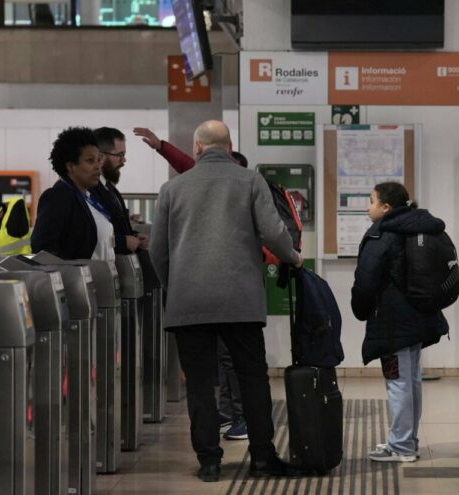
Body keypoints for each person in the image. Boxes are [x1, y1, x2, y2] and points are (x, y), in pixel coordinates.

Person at [149, 120, 303, 482]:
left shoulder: (172, 188)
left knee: (201, 384)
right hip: (241, 302)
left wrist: (178, 288)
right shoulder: (250, 181)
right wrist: (292, 256)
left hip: (189, 304)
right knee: (252, 378)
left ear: (197, 148)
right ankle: (263, 458)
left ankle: (209, 462)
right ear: (230, 147)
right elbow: (273, 232)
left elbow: (158, 252)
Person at [133, 126, 248, 440]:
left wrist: (174, 285)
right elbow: (190, 167)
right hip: (227, 299)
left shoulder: (243, 191)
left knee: (219, 367)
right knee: (225, 364)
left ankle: (230, 427)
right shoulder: (237, 189)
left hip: (210, 299)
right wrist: (161, 147)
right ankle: (230, 418)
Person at [351, 182, 449, 463]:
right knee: (411, 381)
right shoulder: (422, 227)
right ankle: (407, 440)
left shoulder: (382, 235)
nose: (368, 207)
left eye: (371, 201)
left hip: (393, 324)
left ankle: (403, 446)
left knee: (398, 382)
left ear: (386, 207)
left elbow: (366, 281)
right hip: (421, 317)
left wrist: (360, 309)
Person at [32, 127, 115, 261]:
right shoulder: (58, 196)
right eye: (90, 160)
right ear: (70, 166)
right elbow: (44, 250)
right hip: (76, 279)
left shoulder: (88, 197)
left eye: (98, 160)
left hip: (99, 278)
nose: (97, 166)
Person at [90, 127, 148, 254]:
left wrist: (135, 236)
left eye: (124, 155)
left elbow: (116, 230)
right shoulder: (88, 190)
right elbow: (87, 237)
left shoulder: (109, 188)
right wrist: (122, 242)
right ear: (101, 156)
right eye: (119, 155)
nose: (124, 160)